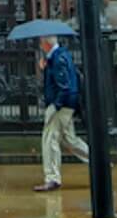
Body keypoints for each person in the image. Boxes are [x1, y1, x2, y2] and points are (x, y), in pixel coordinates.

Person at [33, 34, 89, 192]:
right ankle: (100, 161)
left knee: (49, 138)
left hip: (61, 105)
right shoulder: (58, 57)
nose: (40, 45)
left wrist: (55, 107)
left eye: (40, 42)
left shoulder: (58, 59)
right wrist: (46, 68)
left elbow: (64, 86)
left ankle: (52, 179)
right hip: (66, 104)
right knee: (69, 140)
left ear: (46, 44)